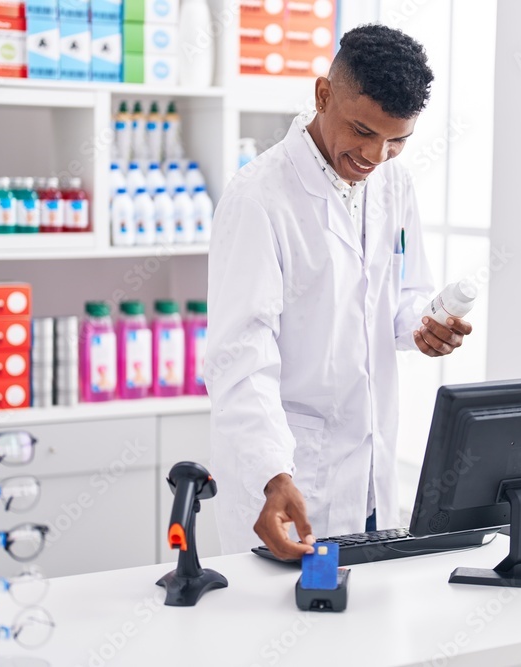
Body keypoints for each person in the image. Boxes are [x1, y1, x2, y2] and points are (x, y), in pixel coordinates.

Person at [205, 24, 472, 558]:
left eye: (398, 139)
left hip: (371, 479)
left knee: (365, 633)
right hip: (292, 482)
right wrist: (270, 473)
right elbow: (240, 359)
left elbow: (402, 294)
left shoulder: (394, 182)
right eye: (363, 131)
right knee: (280, 632)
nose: (378, 154)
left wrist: (424, 326)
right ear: (323, 94)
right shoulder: (258, 198)